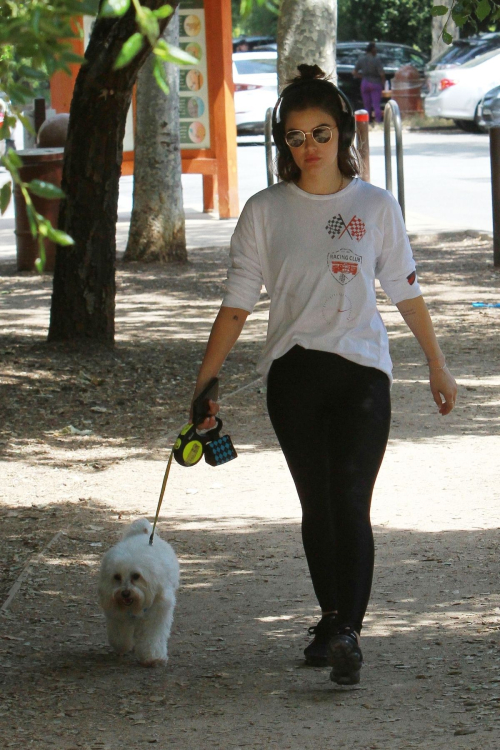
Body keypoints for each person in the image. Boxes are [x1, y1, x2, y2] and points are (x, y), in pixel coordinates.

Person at [190, 64, 457, 686]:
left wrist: (437, 365)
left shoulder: (375, 206)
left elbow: (406, 291)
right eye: (295, 136)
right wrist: (205, 382)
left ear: (345, 135)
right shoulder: (264, 211)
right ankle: (332, 619)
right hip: (294, 377)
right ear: (282, 142)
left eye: (321, 133)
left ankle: (346, 634)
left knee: (351, 501)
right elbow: (236, 304)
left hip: (364, 374)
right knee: (318, 503)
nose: (308, 148)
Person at [354, 42, 386, 123]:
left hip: (364, 83)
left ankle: (367, 123)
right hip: (375, 83)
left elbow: (354, 72)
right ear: (372, 49)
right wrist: (383, 83)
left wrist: (362, 77)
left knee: (366, 105)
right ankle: (378, 121)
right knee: (376, 105)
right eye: (375, 49)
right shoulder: (376, 59)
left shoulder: (361, 59)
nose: (376, 50)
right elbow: (382, 74)